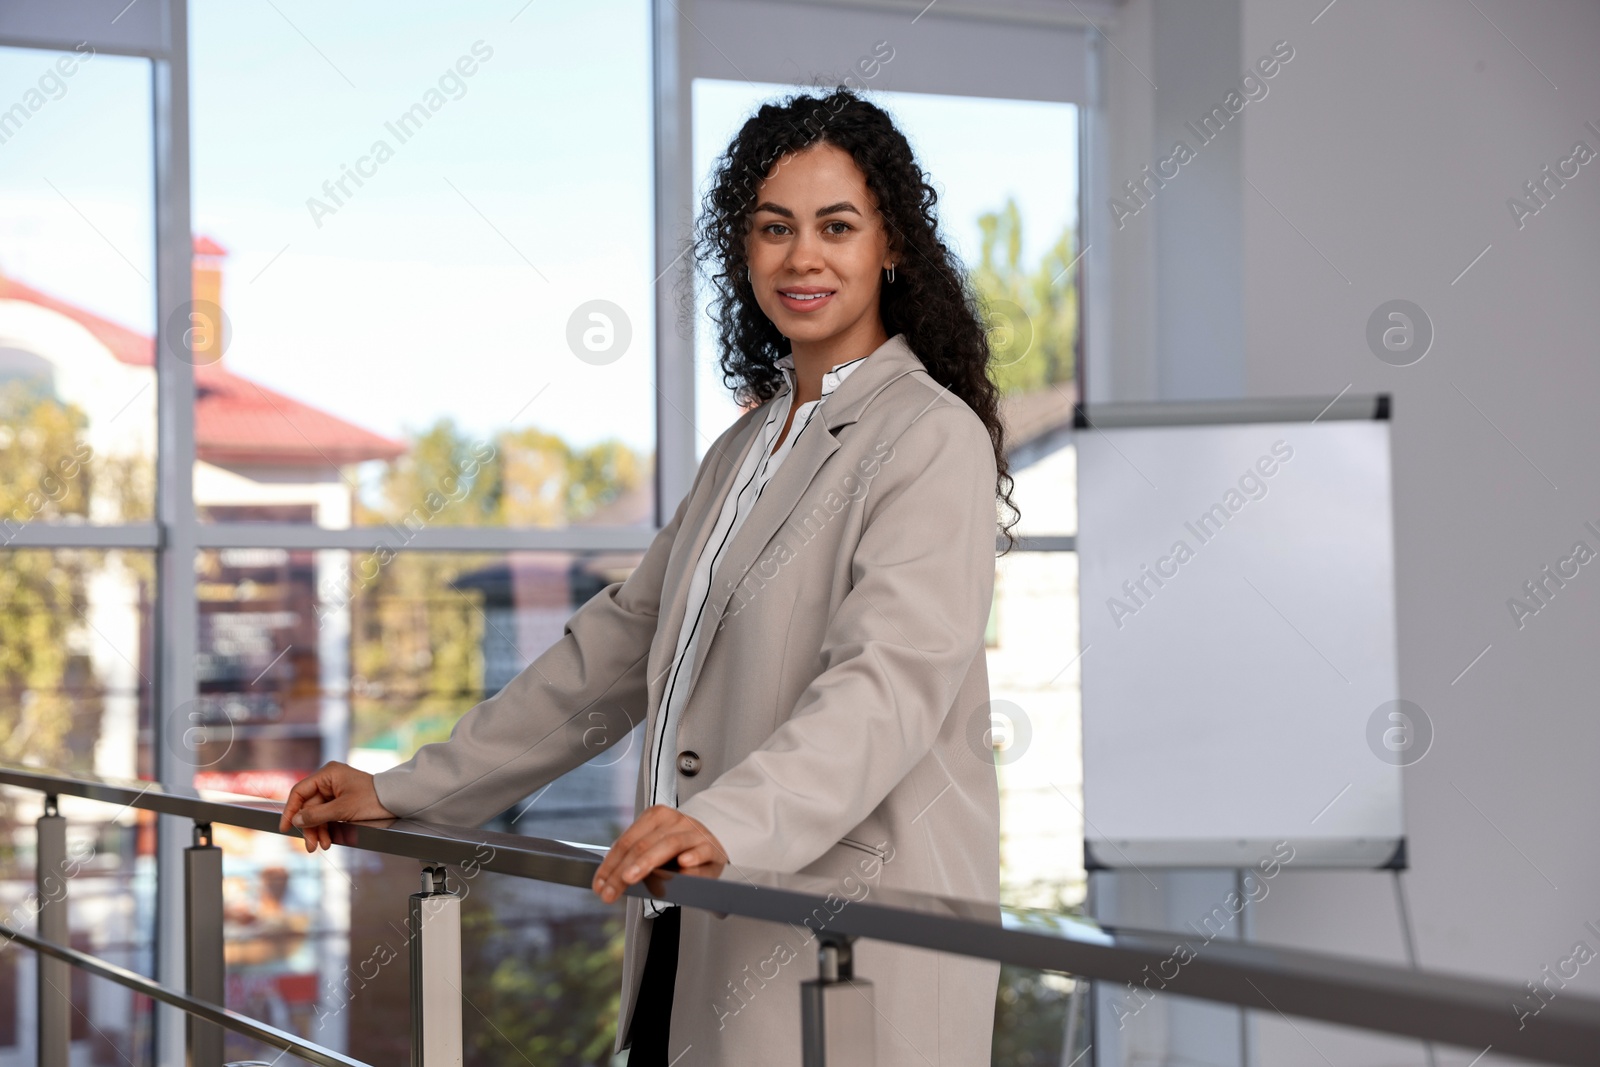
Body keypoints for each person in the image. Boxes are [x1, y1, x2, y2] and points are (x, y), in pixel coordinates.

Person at [279, 86, 1019, 1066]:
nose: (803, 256)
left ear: (890, 247)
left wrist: (722, 819)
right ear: (742, 248)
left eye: (836, 226)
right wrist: (405, 788)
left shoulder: (929, 436)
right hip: (696, 918)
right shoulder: (746, 446)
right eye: (773, 227)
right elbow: (613, 649)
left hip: (843, 941)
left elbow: (887, 683)